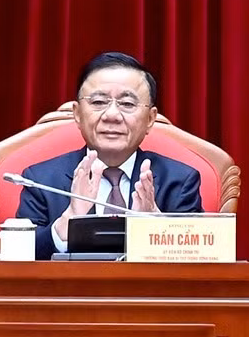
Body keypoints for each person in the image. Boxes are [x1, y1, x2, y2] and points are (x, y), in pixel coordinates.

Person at [15, 52, 203, 259]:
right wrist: (67, 222)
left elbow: (200, 266)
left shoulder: (180, 181)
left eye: (128, 104)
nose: (112, 115)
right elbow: (17, 260)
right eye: (98, 102)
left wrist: (156, 228)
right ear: (77, 114)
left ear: (150, 119)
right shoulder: (40, 180)